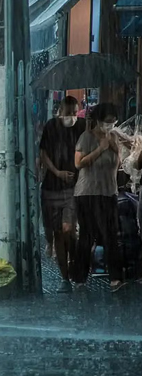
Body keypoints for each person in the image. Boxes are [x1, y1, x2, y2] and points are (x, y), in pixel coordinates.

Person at [74, 103, 125, 292]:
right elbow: (79, 163)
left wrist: (114, 148)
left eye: (113, 121)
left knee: (111, 234)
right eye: (107, 121)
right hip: (88, 193)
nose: (110, 125)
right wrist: (100, 149)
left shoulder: (113, 137)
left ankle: (116, 279)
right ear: (99, 120)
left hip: (109, 191)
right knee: (87, 236)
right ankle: (79, 278)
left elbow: (115, 164)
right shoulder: (86, 137)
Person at [39, 96, 86, 293]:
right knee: (58, 232)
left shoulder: (83, 126)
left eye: (74, 113)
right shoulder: (51, 126)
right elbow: (43, 154)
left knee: (69, 229)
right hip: (52, 186)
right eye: (68, 113)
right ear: (60, 112)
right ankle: (64, 277)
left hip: (73, 187)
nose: (71, 117)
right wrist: (57, 172)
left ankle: (75, 265)